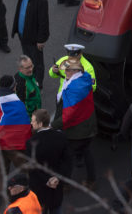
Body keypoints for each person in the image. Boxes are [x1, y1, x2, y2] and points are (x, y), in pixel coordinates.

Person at [51, 59, 97, 189]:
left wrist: (53, 126)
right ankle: (92, 180)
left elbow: (69, 114)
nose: (64, 72)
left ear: (75, 71)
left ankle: (65, 184)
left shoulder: (74, 88)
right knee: (87, 153)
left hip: (77, 131)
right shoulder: (85, 78)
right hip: (88, 125)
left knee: (67, 158)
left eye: (67, 70)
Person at [0, 75, 32, 177]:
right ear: (13, 87)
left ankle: (5, 192)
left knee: (2, 174)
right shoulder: (17, 103)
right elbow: (24, 126)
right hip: (15, 145)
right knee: (24, 172)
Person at [25, 109, 72, 214]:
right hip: (57, 185)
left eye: (33, 121)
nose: (31, 123)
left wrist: (47, 180)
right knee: (56, 208)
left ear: (40, 123)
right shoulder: (61, 137)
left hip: (39, 187)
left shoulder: (31, 143)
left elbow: (33, 167)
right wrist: (57, 178)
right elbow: (67, 161)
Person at [12, 0, 50, 86]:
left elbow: (43, 22)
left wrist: (41, 39)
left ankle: (38, 84)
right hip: (23, 36)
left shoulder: (41, 0)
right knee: (28, 60)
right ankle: (30, 80)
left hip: (34, 39)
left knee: (37, 63)